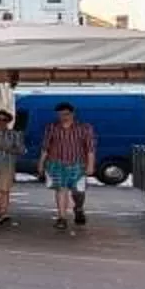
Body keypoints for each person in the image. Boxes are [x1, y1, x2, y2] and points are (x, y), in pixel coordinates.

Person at [38, 100, 97, 233]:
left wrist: (91, 165)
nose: (63, 117)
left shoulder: (84, 128)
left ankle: (79, 208)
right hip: (56, 163)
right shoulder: (52, 127)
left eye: (66, 114)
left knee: (78, 192)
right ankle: (62, 218)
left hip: (78, 163)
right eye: (60, 114)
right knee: (60, 189)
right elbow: (45, 147)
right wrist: (41, 163)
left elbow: (90, 148)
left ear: (73, 114)